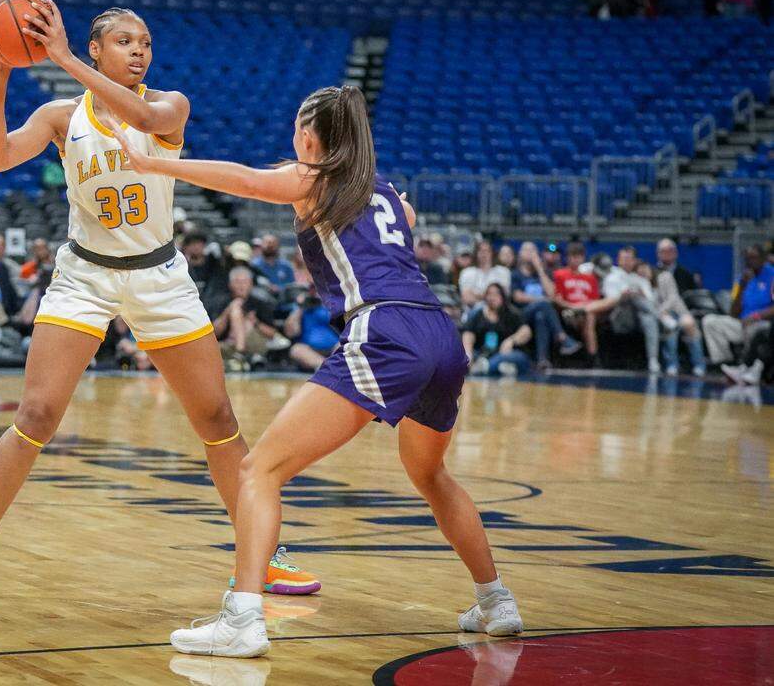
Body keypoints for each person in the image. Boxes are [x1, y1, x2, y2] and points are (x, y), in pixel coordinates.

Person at [109, 84, 522, 657]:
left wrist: (152, 161)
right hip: (440, 334)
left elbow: (248, 180)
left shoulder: (313, 179)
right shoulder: (389, 194)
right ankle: (496, 601)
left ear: (308, 134)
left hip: (385, 333)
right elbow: (401, 222)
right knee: (431, 476)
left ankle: (242, 618)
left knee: (259, 471)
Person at [0, 1, 318, 600]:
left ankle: (264, 552)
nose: (139, 50)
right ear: (96, 50)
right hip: (83, 276)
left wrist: (57, 56)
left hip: (159, 276)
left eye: (144, 41)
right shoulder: (61, 117)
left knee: (217, 419)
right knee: (35, 416)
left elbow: (139, 113)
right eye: (123, 41)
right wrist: (0, 70)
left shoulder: (169, 107)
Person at [705, 246, 773, 382]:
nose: (750, 261)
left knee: (754, 329)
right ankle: (724, 364)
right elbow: (733, 313)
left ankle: (749, 368)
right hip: (741, 322)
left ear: (763, 259)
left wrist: (755, 317)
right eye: (747, 258)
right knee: (710, 321)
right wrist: (742, 286)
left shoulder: (772, 275)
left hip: (763, 322)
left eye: (753, 257)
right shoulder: (743, 278)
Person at [510, 241, 580, 369]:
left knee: (541, 316)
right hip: (521, 313)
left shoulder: (544, 273)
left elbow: (552, 294)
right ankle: (562, 337)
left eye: (533, 251)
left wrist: (540, 270)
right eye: (527, 250)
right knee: (543, 304)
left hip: (541, 312)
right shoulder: (516, 274)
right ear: (520, 254)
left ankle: (542, 360)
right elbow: (518, 297)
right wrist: (540, 300)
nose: (530, 254)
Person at [213, 266, 287, 371]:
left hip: (255, 344)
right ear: (230, 285)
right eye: (237, 282)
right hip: (227, 344)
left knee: (245, 321)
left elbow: (272, 333)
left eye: (244, 282)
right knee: (235, 307)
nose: (241, 286)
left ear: (251, 284)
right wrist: (227, 312)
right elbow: (214, 333)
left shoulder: (261, 303)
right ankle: (239, 358)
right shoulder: (220, 302)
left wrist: (255, 322)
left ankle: (239, 354)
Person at [552, 242, 611, 367]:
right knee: (587, 315)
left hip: (587, 310)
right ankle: (593, 358)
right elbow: (557, 299)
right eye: (572, 256)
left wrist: (584, 307)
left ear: (583, 258)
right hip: (568, 310)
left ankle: (592, 358)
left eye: (578, 256)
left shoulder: (590, 278)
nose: (575, 260)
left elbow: (595, 301)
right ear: (567, 258)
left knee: (589, 314)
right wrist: (571, 306)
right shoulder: (560, 275)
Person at [603, 247, 661, 373]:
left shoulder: (640, 279)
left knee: (649, 319)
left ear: (634, 261)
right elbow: (610, 301)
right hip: (620, 315)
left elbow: (651, 301)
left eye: (629, 259)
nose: (626, 262)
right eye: (623, 259)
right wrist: (624, 296)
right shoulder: (612, 277)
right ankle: (662, 318)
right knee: (633, 299)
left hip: (641, 316)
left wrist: (641, 294)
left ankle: (653, 359)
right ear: (618, 260)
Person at [646, 263, 707, 377]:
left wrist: (662, 310)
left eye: (645, 270)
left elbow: (673, 297)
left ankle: (699, 365)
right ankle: (672, 364)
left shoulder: (665, 276)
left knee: (689, 324)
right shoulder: (642, 286)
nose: (644, 273)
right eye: (640, 272)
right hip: (660, 317)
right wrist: (661, 314)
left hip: (677, 311)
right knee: (670, 327)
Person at [463, 283, 532, 377]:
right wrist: (468, 354)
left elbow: (526, 331)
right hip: (483, 353)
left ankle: (487, 367)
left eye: (496, 294)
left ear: (503, 297)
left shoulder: (512, 314)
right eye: (489, 294)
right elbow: (468, 334)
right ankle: (496, 367)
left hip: (504, 354)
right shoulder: (478, 314)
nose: (492, 297)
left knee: (518, 357)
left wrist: (511, 341)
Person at [283, 286, 337, 371]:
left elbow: (340, 324)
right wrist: (300, 307)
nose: (314, 292)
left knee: (344, 346)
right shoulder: (299, 308)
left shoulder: (328, 304)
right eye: (311, 290)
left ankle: (329, 368)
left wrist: (324, 302)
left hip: (334, 348)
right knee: (296, 350)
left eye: (316, 290)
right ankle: (328, 368)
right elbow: (290, 332)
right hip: (310, 350)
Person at [458, 240, 511, 309]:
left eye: (487, 251)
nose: (484, 254)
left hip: (499, 310)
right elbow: (467, 298)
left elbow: (504, 296)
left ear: (492, 253)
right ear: (476, 253)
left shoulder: (503, 271)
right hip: (473, 310)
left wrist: (477, 295)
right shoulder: (467, 272)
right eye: (481, 251)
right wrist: (492, 295)